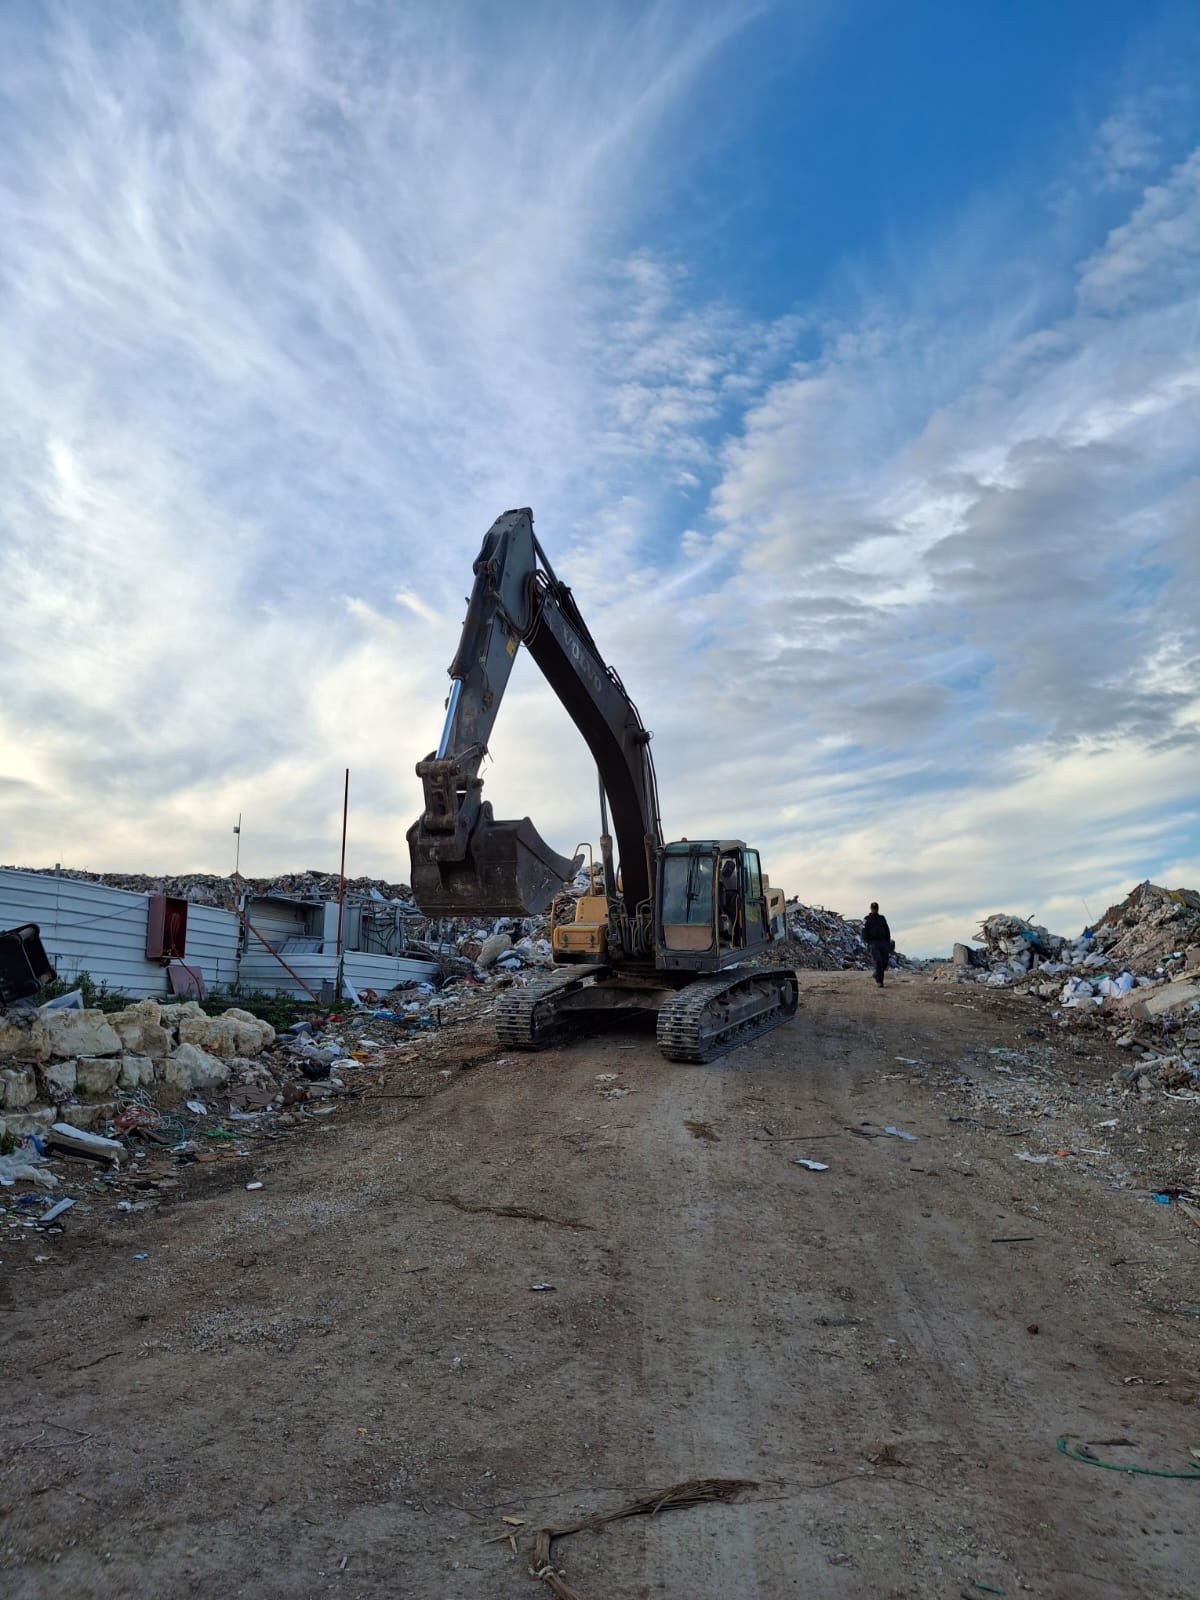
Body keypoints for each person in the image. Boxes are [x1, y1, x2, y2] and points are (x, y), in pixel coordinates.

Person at [862, 901, 892, 987]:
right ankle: (880, 981)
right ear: (871, 909)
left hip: (883, 942)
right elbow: (864, 931)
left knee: (885, 962)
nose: (874, 910)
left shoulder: (882, 918)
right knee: (878, 961)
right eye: (873, 908)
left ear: (878, 909)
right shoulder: (867, 919)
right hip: (873, 943)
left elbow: (887, 930)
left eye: (876, 909)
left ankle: (876, 974)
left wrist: (887, 941)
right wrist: (867, 942)